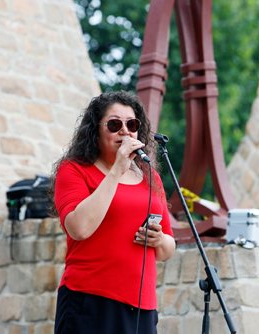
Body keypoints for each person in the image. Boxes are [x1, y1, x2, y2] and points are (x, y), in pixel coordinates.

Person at [51, 91, 176, 334]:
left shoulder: (150, 178)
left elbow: (167, 248)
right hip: (90, 300)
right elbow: (79, 228)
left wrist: (159, 239)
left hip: (142, 306)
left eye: (132, 124)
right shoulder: (74, 170)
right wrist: (117, 169)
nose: (125, 131)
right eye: (114, 124)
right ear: (95, 130)